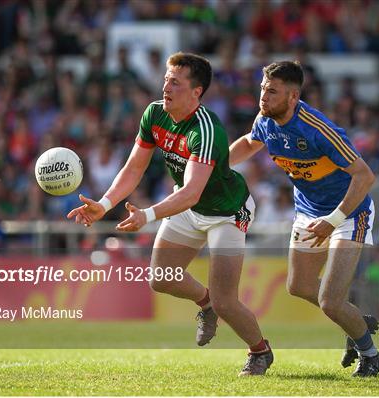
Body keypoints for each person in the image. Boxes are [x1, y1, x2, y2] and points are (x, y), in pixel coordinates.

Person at [67, 52, 273, 376]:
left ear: (196, 92)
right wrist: (105, 205)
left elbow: (191, 192)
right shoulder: (154, 114)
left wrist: (147, 216)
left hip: (227, 212)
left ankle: (259, 351)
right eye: (166, 79)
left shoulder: (206, 130)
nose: (166, 87)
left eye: (175, 83)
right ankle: (205, 304)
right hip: (187, 206)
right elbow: (135, 167)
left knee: (226, 301)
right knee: (160, 278)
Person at [229, 61, 379, 377]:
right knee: (298, 286)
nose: (264, 97)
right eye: (262, 89)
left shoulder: (317, 128)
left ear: (293, 96)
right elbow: (248, 143)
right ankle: (353, 319)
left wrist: (334, 218)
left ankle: (370, 355)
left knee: (329, 301)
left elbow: (365, 176)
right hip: (309, 212)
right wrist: (211, 167)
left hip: (349, 213)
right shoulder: (266, 120)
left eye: (272, 91)